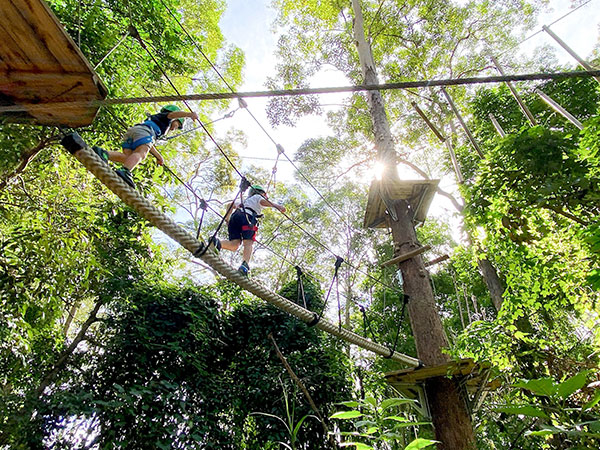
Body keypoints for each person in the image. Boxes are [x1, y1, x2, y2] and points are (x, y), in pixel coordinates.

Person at [92, 104, 198, 187]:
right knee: (141, 154)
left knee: (129, 158)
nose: (175, 128)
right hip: (144, 132)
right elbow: (174, 114)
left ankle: (104, 154)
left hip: (135, 132)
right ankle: (125, 171)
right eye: (177, 124)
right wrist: (189, 115)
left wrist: (159, 156)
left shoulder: (156, 122)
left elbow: (148, 144)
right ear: (174, 118)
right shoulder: (167, 117)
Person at [211, 185, 286, 276]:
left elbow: (230, 204)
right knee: (248, 243)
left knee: (234, 245)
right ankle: (245, 265)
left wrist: (227, 218)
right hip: (248, 217)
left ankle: (216, 243)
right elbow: (263, 202)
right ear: (261, 193)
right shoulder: (258, 197)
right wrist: (278, 206)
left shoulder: (244, 200)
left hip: (235, 217)